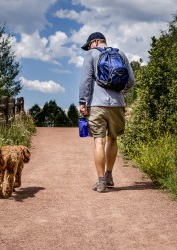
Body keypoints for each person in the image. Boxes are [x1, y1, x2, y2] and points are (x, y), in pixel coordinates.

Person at [78, 32, 135, 192]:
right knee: (113, 139)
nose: (88, 48)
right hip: (117, 104)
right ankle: (109, 175)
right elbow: (131, 81)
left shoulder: (91, 55)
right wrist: (119, 94)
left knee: (99, 141)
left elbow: (86, 81)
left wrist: (83, 102)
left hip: (97, 104)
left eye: (89, 45)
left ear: (95, 42)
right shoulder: (120, 54)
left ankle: (101, 182)